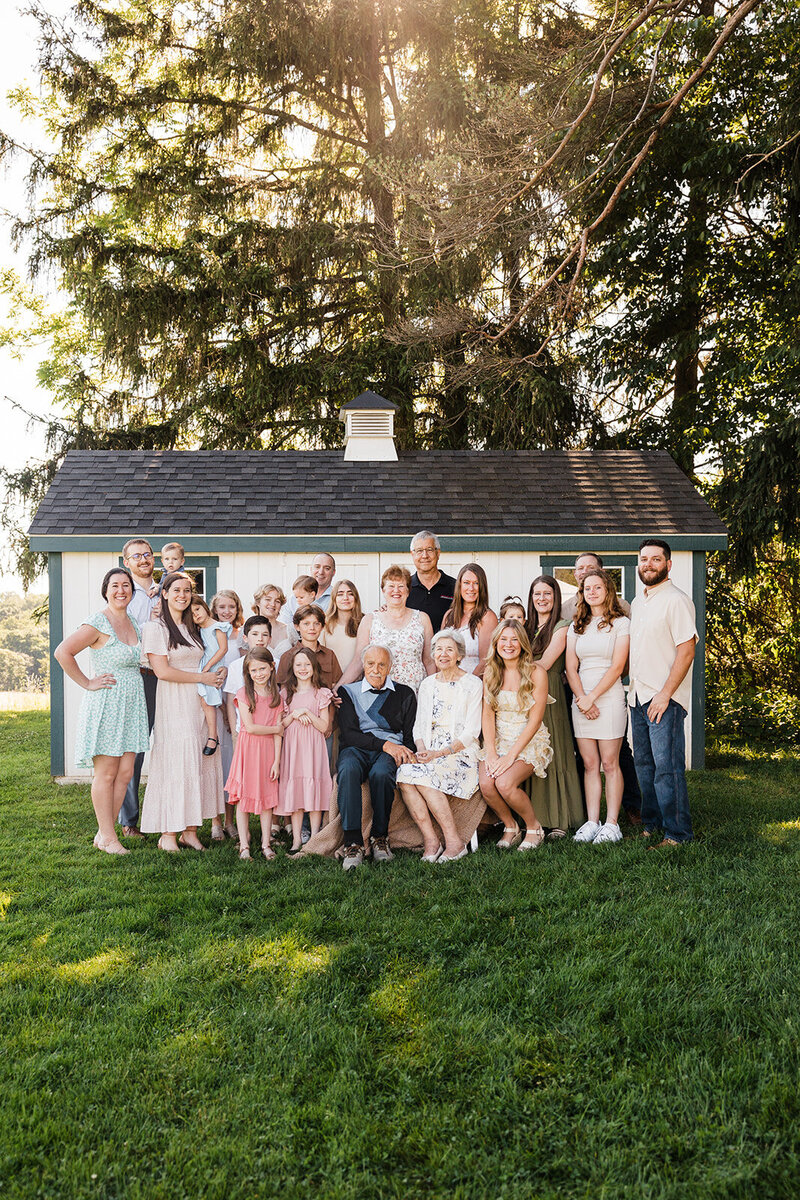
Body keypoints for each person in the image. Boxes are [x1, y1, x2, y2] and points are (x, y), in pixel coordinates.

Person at [54, 566, 150, 855]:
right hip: (108, 704)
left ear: (132, 591)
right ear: (105, 590)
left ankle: (103, 833)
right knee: (106, 774)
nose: (121, 590)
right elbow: (63, 652)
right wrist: (87, 682)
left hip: (132, 704)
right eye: (115, 585)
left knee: (124, 773)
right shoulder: (98, 622)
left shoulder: (133, 620)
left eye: (126, 585)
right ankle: (109, 837)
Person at [140, 572, 227, 852]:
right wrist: (201, 678)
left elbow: (206, 659)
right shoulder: (156, 628)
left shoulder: (193, 628)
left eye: (187, 590)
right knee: (178, 760)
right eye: (176, 590)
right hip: (174, 701)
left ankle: (190, 831)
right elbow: (162, 671)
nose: (182, 595)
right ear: (164, 593)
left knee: (199, 761)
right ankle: (168, 834)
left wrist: (218, 671)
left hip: (199, 702)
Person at [562, 551, 642, 823]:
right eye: (587, 588)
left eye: (598, 587)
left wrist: (593, 697)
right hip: (581, 700)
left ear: (608, 590)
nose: (592, 591)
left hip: (608, 699)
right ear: (581, 592)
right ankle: (593, 821)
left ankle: (612, 823)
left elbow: (618, 667)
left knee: (610, 763)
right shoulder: (576, 626)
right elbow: (571, 667)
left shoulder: (621, 622)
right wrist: (582, 698)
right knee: (589, 765)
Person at [629, 538, 698, 847]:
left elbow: (687, 651)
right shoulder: (639, 601)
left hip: (664, 700)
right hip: (638, 697)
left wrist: (665, 694)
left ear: (668, 565)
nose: (649, 564)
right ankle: (652, 823)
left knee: (666, 769)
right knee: (644, 766)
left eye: (656, 560)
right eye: (644, 559)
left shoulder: (676, 600)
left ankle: (678, 833)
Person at [397, 629, 482, 863]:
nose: (442, 654)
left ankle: (454, 841)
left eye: (449, 649)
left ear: (459, 655)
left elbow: (472, 732)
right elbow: (419, 726)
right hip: (431, 753)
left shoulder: (473, 684)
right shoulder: (427, 684)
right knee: (404, 774)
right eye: (438, 649)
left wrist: (439, 753)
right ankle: (431, 840)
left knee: (424, 775)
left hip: (460, 754)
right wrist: (423, 750)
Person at [336, 645, 417, 870]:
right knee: (348, 769)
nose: (376, 669)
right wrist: (384, 744)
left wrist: (403, 751)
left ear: (390, 667)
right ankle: (352, 843)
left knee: (381, 773)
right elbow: (350, 734)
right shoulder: (348, 692)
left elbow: (409, 736)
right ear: (363, 665)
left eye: (382, 664)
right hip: (357, 748)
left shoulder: (405, 693)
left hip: (391, 751)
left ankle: (379, 837)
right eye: (370, 664)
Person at [478, 620, 553, 851]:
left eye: (514, 639)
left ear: (522, 643)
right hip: (499, 738)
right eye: (503, 639)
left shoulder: (536, 673)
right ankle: (511, 826)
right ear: (496, 643)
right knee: (486, 784)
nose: (508, 645)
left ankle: (534, 828)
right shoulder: (490, 672)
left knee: (505, 783)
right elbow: (488, 716)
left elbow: (535, 719)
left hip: (527, 739)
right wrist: (491, 752)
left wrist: (511, 756)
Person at [525, 575, 584, 836]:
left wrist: (512, 666)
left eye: (547, 593)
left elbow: (545, 663)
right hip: (524, 696)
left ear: (555, 597)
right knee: (530, 754)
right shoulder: (524, 627)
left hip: (551, 696)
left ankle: (561, 819)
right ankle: (535, 818)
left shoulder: (562, 626)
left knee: (554, 752)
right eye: (537, 594)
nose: (542, 598)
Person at [119, 537, 160, 837]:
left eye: (147, 555)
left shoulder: (167, 589)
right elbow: (122, 632)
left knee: (170, 743)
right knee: (135, 747)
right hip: (139, 675)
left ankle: (169, 815)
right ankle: (129, 820)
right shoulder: (124, 594)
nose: (143, 560)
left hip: (168, 675)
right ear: (126, 563)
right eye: (137, 556)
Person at [226, 648, 284, 861]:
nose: (259, 673)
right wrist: (276, 729)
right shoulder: (243, 694)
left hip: (268, 752)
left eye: (262, 668)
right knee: (244, 799)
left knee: (268, 800)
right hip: (248, 750)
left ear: (271, 667)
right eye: (253, 670)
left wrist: (277, 761)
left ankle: (266, 844)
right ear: (247, 673)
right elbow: (249, 727)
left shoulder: (277, 696)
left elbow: (279, 733)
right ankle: (244, 845)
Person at [339, 565, 434, 695]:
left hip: (416, 691)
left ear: (408, 591)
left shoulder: (422, 618)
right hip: (380, 691)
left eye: (401, 586)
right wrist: (339, 687)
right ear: (383, 590)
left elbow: (429, 660)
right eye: (391, 586)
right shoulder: (370, 620)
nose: (396, 590)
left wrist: (434, 690)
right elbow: (358, 661)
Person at [277, 646, 334, 853]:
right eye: (299, 664)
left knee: (314, 794)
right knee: (297, 794)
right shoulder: (286, 694)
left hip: (313, 749)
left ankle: (315, 838)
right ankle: (296, 840)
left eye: (307, 664)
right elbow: (280, 725)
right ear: (292, 667)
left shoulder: (321, 693)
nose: (303, 668)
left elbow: (323, 726)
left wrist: (307, 713)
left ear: (314, 667)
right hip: (293, 749)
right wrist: (293, 715)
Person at [210, 589, 245, 834]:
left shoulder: (242, 635)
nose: (226, 611)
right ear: (214, 609)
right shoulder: (208, 632)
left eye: (231, 606)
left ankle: (231, 820)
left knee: (232, 761)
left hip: (234, 701)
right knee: (214, 763)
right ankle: (215, 821)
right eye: (222, 607)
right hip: (212, 699)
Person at [190, 594, 230, 757]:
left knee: (207, 701)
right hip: (204, 667)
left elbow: (223, 649)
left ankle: (213, 736)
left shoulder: (217, 626)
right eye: (192, 614)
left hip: (214, 667)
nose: (197, 615)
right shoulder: (199, 630)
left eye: (198, 609)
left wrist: (208, 666)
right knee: (205, 700)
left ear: (205, 607)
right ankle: (214, 729)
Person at [442, 562, 498, 676]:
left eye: (476, 583)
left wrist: (467, 684)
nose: (471, 588)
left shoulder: (487, 617)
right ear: (460, 585)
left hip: (474, 684)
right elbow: (440, 656)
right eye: (466, 583)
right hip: (448, 683)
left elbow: (485, 661)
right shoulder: (449, 615)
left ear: (482, 587)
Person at [276, 605, 342, 690]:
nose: (312, 628)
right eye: (306, 624)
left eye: (316, 624)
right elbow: (283, 690)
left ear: (322, 627)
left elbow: (336, 684)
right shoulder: (287, 656)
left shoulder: (329, 655)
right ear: (297, 626)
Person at [406, 531, 457, 631]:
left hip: (446, 646)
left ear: (438, 553)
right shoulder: (404, 587)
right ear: (412, 554)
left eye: (429, 550)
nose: (425, 556)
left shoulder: (455, 587)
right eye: (419, 551)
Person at [279, 553, 337, 627]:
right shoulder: (294, 599)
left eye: (327, 568)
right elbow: (285, 626)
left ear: (333, 572)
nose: (321, 572)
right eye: (317, 567)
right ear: (311, 569)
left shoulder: (337, 598)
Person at [320, 579, 363, 672]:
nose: (345, 598)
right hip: (331, 681)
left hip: (356, 682)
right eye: (340, 594)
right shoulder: (325, 623)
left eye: (350, 594)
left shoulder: (364, 622)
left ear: (356, 597)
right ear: (334, 598)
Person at [251, 584, 291, 657]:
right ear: (258, 602)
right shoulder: (248, 629)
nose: (272, 604)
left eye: (277, 601)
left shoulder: (289, 630)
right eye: (268, 599)